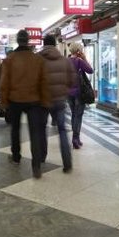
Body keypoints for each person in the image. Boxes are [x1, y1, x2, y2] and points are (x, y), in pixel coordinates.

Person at [0, 30, 51, 178]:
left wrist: (3, 101)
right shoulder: (38, 60)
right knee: (35, 132)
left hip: (15, 100)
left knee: (15, 129)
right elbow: (44, 82)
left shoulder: (9, 60)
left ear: (17, 41)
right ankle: (36, 164)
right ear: (28, 41)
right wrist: (45, 100)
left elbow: (4, 83)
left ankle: (16, 156)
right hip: (34, 101)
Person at [39, 35, 76, 172]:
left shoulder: (38, 60)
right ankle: (67, 162)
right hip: (60, 100)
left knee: (42, 129)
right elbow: (73, 80)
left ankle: (42, 157)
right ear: (55, 44)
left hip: (43, 101)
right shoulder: (65, 60)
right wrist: (64, 89)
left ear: (43, 44)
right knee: (62, 130)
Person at [66, 42, 93, 149]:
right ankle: (75, 138)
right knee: (78, 115)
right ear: (78, 51)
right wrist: (84, 58)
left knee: (73, 114)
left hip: (68, 92)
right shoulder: (79, 61)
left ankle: (76, 138)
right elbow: (90, 70)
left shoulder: (65, 61)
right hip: (79, 92)